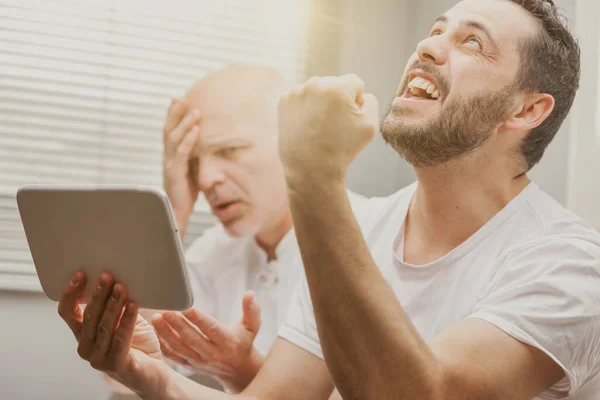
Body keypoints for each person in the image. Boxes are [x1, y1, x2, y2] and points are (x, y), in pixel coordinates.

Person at [58, 0, 600, 399]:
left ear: (527, 111)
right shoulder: (360, 235)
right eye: (435, 31)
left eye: (472, 42)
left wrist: (313, 174)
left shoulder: (570, 264)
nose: (428, 46)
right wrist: (145, 372)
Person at [107, 64, 368, 396]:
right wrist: (173, 208)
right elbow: (123, 373)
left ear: (295, 139)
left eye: (229, 150)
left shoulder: (374, 234)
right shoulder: (216, 250)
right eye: (194, 163)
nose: (204, 180)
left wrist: (242, 372)